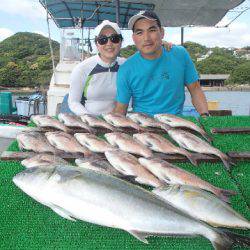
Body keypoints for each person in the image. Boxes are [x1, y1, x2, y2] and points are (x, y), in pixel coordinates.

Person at [113, 10, 209, 117]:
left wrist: (205, 115)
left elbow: (195, 89)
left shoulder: (180, 54)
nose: (146, 38)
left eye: (152, 30)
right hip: (142, 125)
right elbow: (120, 109)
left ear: (162, 32)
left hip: (176, 122)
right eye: (139, 32)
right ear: (134, 38)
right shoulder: (126, 69)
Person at [68, 20, 125, 116]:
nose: (109, 43)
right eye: (103, 40)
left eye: (114, 38)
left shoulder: (126, 65)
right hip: (91, 121)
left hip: (119, 121)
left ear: (121, 42)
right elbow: (74, 102)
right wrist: (90, 119)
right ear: (96, 44)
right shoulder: (82, 68)